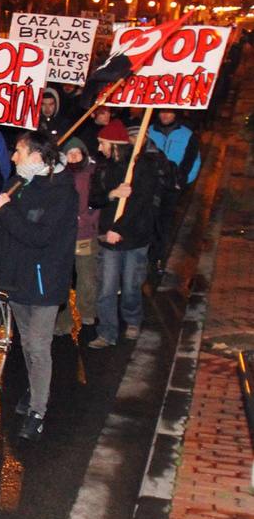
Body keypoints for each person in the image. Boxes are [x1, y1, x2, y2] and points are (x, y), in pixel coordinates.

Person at [0, 130, 78, 441]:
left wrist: (5, 210)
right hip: (15, 278)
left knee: (37, 345)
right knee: (26, 343)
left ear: (36, 156)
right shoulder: (17, 182)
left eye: (18, 151)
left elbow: (39, 237)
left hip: (45, 282)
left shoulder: (62, 192)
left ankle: (38, 411)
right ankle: (35, 389)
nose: (13, 157)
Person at [88, 120, 166, 349]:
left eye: (102, 144)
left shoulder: (142, 167)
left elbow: (141, 203)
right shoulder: (103, 167)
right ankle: (107, 332)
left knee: (131, 284)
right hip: (109, 241)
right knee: (106, 288)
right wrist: (112, 194)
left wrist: (118, 229)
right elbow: (94, 198)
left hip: (135, 238)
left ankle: (133, 319)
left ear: (114, 144)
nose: (99, 148)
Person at [54, 137, 101, 338]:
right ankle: (64, 321)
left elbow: (98, 201)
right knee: (64, 280)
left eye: (77, 153)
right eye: (69, 153)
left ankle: (87, 312)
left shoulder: (93, 174)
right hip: (63, 236)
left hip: (84, 235)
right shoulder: (59, 176)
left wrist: (87, 220)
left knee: (86, 277)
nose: (73, 157)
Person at [146, 109, 201, 273]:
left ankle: (157, 258)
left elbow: (192, 160)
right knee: (149, 220)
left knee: (164, 223)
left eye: (169, 113)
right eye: (162, 112)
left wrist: (181, 182)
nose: (165, 116)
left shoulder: (187, 135)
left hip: (171, 187)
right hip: (151, 184)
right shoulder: (149, 131)